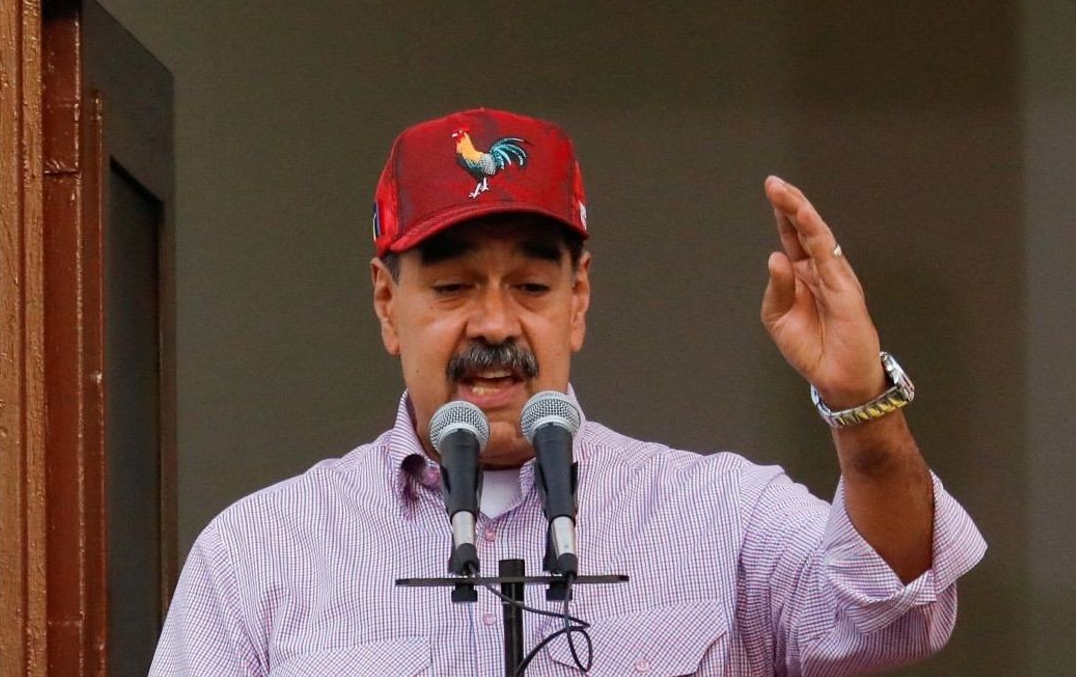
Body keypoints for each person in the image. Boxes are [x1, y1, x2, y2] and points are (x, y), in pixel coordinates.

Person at [150, 108, 985, 676]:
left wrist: (860, 406)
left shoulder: (717, 513)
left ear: (577, 301)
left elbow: (893, 613)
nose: (493, 323)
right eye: (450, 288)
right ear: (386, 304)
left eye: (531, 287)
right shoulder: (260, 553)